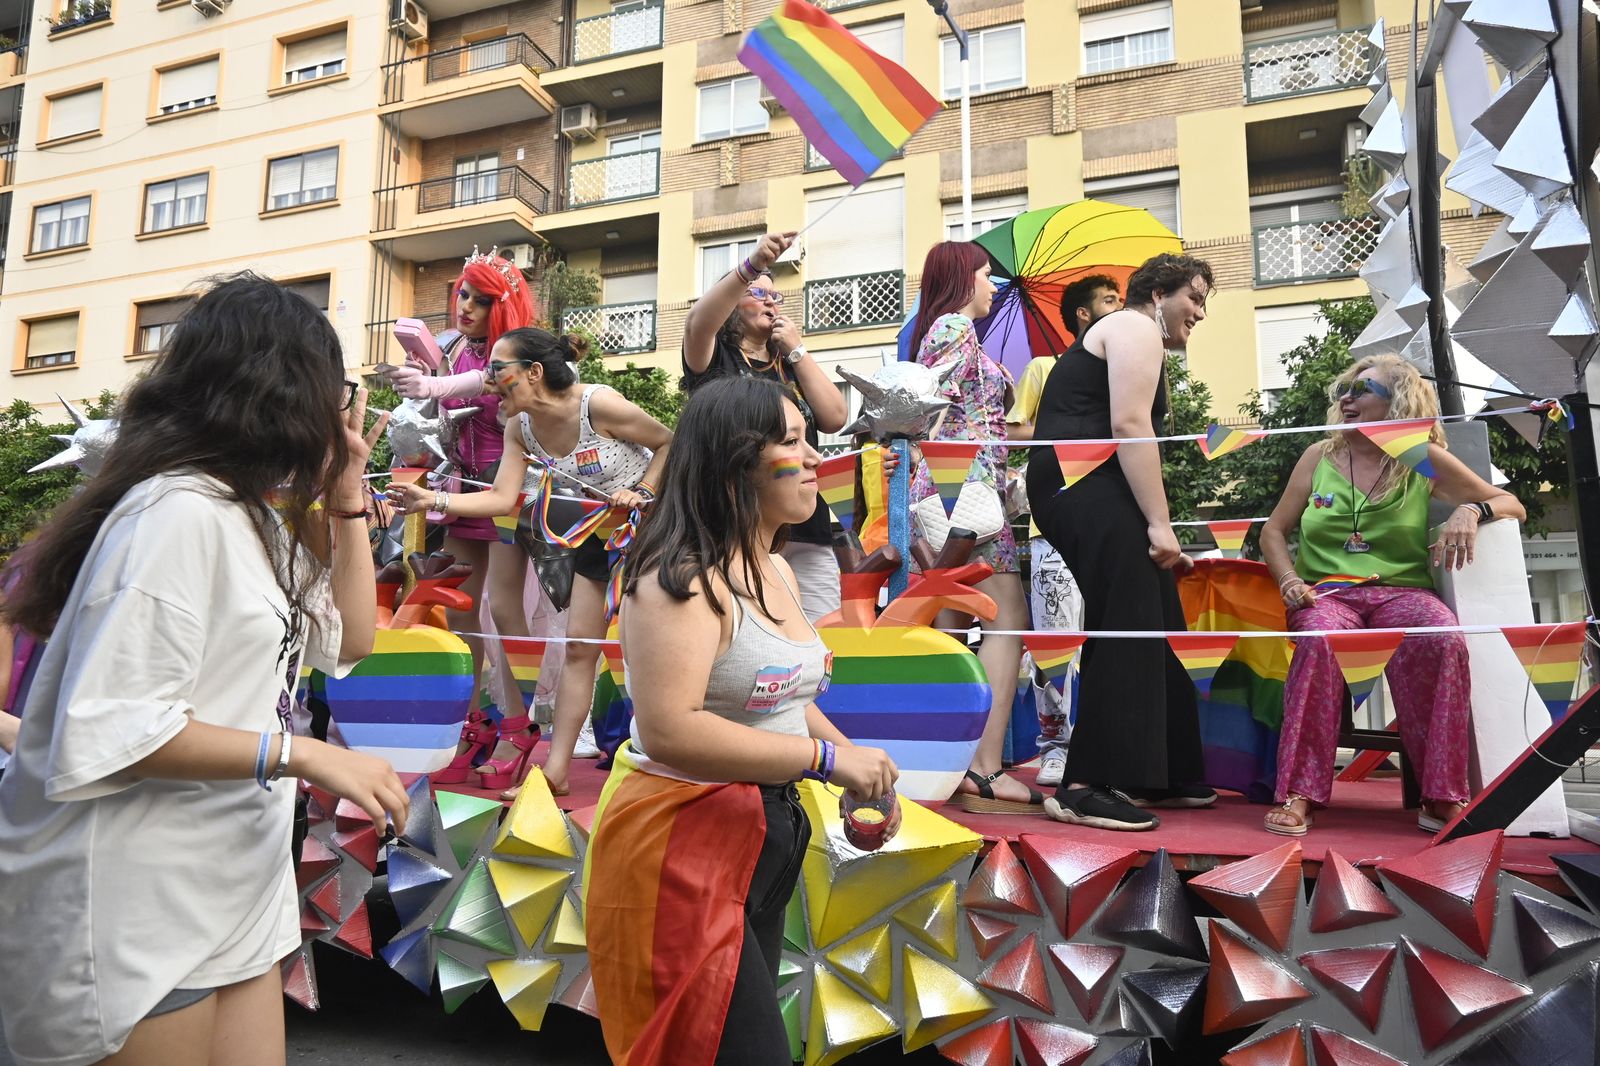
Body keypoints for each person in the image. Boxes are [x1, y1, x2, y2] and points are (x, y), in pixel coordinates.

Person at [0, 274, 409, 1066]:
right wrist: (302, 752)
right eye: (335, 387)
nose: (341, 407)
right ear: (280, 390)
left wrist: (347, 497)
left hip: (232, 873)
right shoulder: (175, 513)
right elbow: (118, 728)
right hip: (135, 893)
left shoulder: (248, 515)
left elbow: (353, 639)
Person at [585, 375, 898, 1066]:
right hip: (679, 846)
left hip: (761, 836)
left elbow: (784, 698)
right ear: (737, 462)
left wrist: (857, 767)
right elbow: (671, 728)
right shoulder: (679, 576)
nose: (816, 456)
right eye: (792, 442)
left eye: (811, 439)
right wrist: (824, 763)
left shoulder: (779, 570)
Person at [389, 328, 672, 798]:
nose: (489, 378)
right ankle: (555, 771)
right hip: (598, 535)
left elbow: (670, 442)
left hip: (660, 531)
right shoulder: (519, 427)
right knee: (582, 648)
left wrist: (642, 491)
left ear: (534, 372)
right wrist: (429, 498)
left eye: (498, 369)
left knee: (650, 649)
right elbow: (502, 499)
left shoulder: (598, 405)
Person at [1259, 354, 1524, 836]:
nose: (1346, 398)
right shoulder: (1318, 456)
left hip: (1401, 592)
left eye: (1362, 391)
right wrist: (1289, 581)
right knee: (1319, 641)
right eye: (1345, 389)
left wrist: (1470, 511)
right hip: (1329, 595)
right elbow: (1274, 532)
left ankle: (1442, 794)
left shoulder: (1418, 457)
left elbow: (1511, 504)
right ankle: (1299, 793)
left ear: (1397, 403)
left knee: (1441, 636)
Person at [1026, 252, 1217, 832]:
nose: (1201, 313)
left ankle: (1162, 771)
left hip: (1097, 484)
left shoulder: (1133, 333)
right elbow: (1131, 427)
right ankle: (1083, 785)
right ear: (1158, 294)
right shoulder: (1134, 326)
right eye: (1196, 298)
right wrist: (1161, 527)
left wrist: (1159, 528)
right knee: (1128, 617)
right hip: (1081, 482)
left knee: (1158, 612)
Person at [380, 247, 540, 730]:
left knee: (507, 610)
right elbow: (450, 401)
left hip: (509, 494)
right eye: (462, 294)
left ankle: (519, 730)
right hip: (460, 493)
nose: (464, 306)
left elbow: (485, 382)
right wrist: (423, 387)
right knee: (460, 611)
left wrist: (435, 387)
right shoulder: (453, 349)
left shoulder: (519, 352)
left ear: (503, 306)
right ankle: (468, 726)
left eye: (480, 299)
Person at [909, 241, 1038, 815]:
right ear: (963, 278)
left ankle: (944, 762)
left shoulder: (948, 331)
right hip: (968, 498)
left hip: (956, 493)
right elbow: (921, 406)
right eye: (988, 275)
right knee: (1007, 621)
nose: (995, 286)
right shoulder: (955, 328)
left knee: (949, 628)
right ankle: (983, 767)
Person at [681, 232, 848, 622]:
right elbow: (697, 323)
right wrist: (752, 264)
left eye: (776, 296)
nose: (770, 301)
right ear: (731, 303)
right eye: (758, 293)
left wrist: (797, 349)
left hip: (805, 526)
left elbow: (835, 417)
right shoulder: (715, 355)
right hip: (737, 520)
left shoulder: (788, 362)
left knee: (823, 631)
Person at [1005, 273, 1122, 788]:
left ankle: (1107, 745)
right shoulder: (1044, 367)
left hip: (1112, 524)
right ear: (1083, 314)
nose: (1120, 308)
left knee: (1111, 638)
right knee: (1055, 637)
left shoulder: (1125, 368)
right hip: (1052, 524)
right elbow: (1012, 431)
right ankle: (1055, 744)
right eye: (1109, 300)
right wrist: (1073, 427)